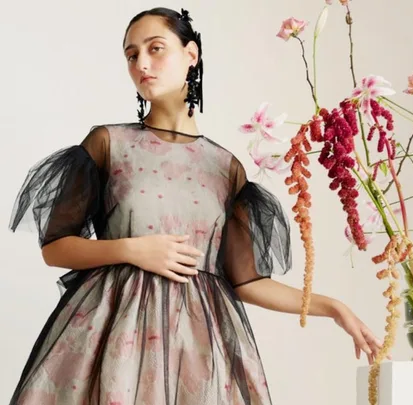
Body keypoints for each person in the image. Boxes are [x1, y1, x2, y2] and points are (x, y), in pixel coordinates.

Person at [7, 7, 385, 405]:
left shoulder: (225, 169)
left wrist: (333, 308)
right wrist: (131, 249)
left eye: (156, 49)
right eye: (132, 55)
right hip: (114, 337)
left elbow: (248, 281)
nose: (142, 64)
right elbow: (55, 247)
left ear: (191, 54)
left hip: (198, 346)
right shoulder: (108, 143)